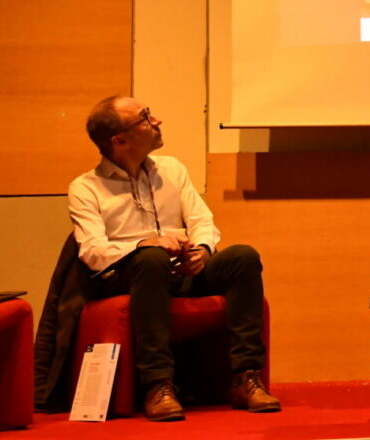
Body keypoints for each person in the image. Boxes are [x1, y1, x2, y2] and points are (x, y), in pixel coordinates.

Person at [68, 96, 279, 422]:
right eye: (145, 117)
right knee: (151, 259)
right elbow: (93, 253)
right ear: (119, 140)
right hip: (132, 275)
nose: (157, 121)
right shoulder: (86, 188)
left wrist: (202, 250)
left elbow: (202, 221)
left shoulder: (172, 169)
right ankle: (157, 385)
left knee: (243, 257)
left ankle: (245, 377)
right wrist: (144, 245)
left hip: (182, 269)